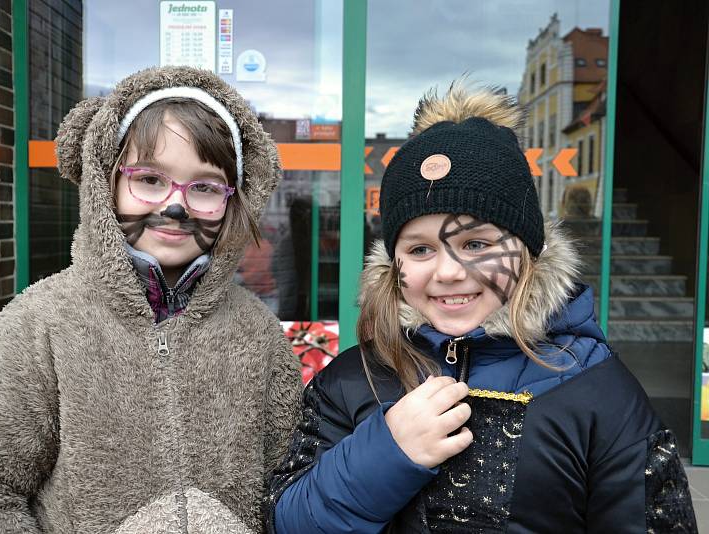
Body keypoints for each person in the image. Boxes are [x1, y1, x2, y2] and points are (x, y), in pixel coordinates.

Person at [266, 82, 697, 533]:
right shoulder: (354, 379)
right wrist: (386, 454)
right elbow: (286, 519)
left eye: (476, 243)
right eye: (419, 250)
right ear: (392, 264)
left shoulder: (598, 392)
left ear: (529, 251)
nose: (447, 272)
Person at [0, 66, 302, 533]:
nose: (175, 206)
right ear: (107, 184)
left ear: (234, 201)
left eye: (204, 187)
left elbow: (290, 482)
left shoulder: (256, 333)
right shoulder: (46, 320)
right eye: (150, 179)